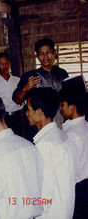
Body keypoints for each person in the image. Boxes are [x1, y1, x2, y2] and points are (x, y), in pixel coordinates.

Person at [25, 87, 75, 219]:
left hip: (51, 213)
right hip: (65, 208)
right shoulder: (60, 135)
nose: (27, 113)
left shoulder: (45, 144)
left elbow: (45, 188)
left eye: (29, 109)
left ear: (40, 112)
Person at [13, 38, 68, 140]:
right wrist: (25, 89)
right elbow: (17, 100)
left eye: (48, 52)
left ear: (54, 53)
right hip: (38, 126)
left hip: (61, 120)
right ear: (37, 56)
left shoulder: (62, 73)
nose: (45, 56)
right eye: (41, 53)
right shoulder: (31, 76)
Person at [58, 76, 88, 219]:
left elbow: (70, 169)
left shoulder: (72, 135)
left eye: (62, 104)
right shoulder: (85, 126)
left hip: (79, 188)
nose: (60, 108)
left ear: (72, 107)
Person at [0, 52, 23, 136]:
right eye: (1, 63)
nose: (5, 66)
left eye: (7, 63)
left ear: (10, 64)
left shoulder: (18, 80)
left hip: (18, 116)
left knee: (20, 139)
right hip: (3, 118)